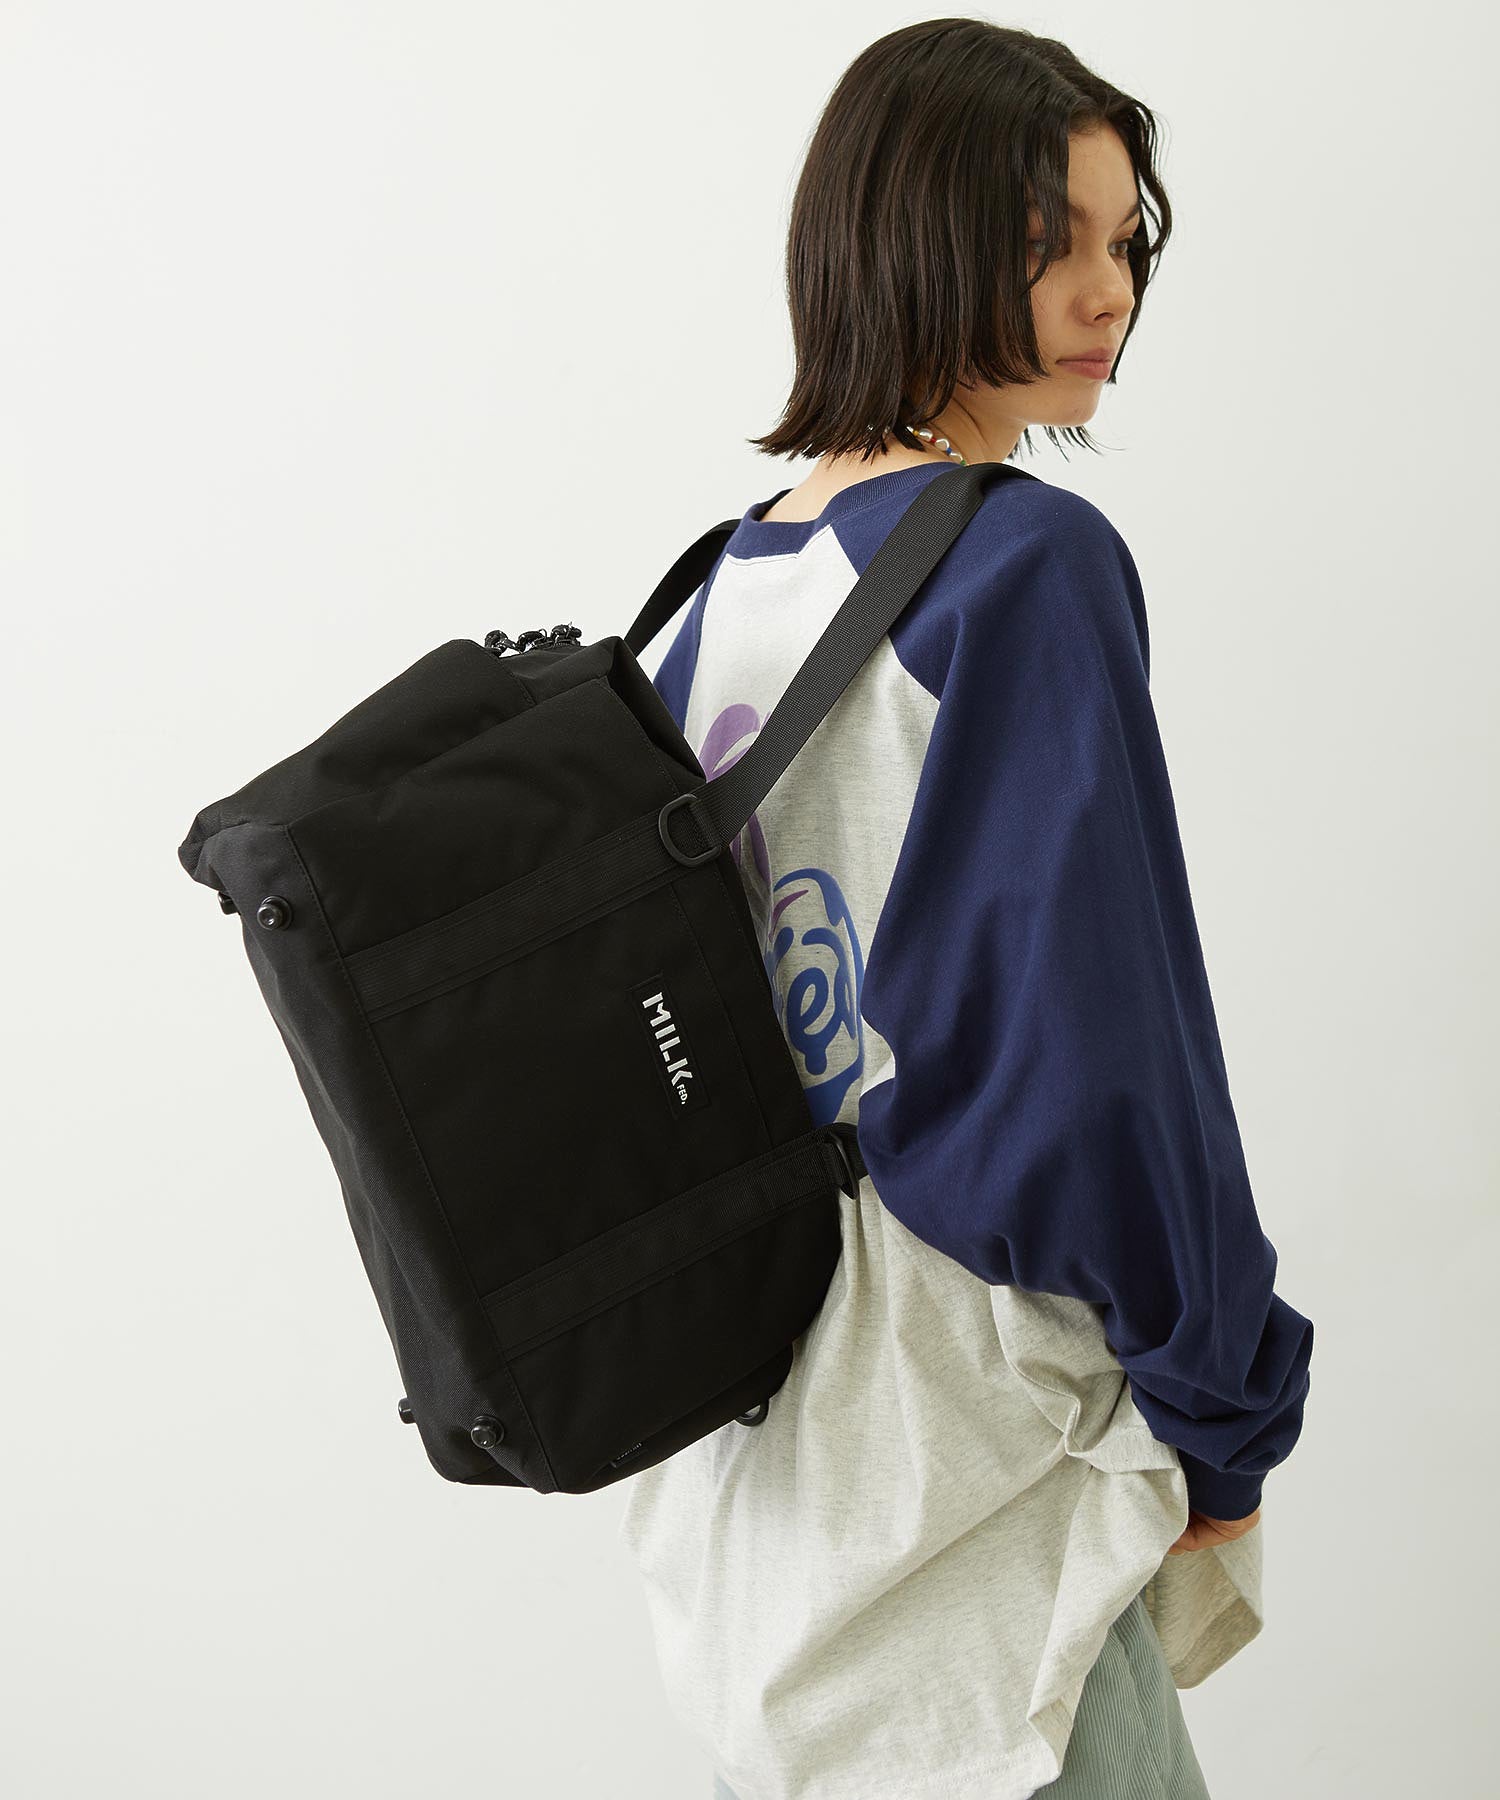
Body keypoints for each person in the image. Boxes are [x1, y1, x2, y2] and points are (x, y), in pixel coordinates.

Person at [617, 18, 1314, 1799]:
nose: (1108, 292)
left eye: (1124, 242)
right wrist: (1224, 1418)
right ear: (906, 238)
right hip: (981, 1520)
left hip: (759, 1516)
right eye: (1045, 244)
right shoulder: (1022, 566)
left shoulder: (710, 599)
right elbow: (1107, 1067)